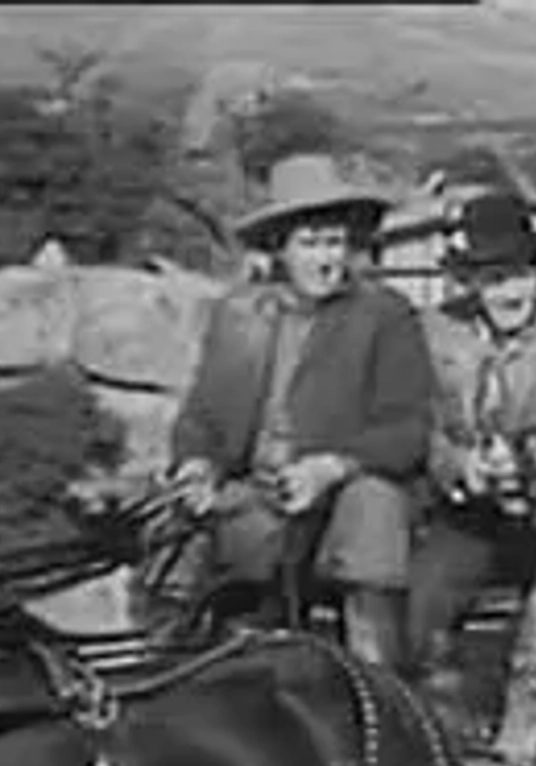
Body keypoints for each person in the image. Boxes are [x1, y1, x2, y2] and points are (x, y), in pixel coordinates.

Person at [168, 154, 435, 668]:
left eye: (334, 242)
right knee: (171, 532)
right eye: (310, 244)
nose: (326, 259)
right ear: (281, 250)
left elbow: (409, 428)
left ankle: (378, 683)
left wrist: (331, 467)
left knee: (372, 509)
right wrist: (196, 466)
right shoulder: (240, 315)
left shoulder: (382, 315)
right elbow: (201, 417)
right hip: (260, 491)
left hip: (345, 490)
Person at [411, 191, 536, 766]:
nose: (510, 293)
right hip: (468, 507)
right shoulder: (437, 332)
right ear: (471, 282)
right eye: (494, 278)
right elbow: (421, 426)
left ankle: (531, 707)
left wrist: (523, 461)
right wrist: (458, 465)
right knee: (424, 592)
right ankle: (440, 730)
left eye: (520, 275)